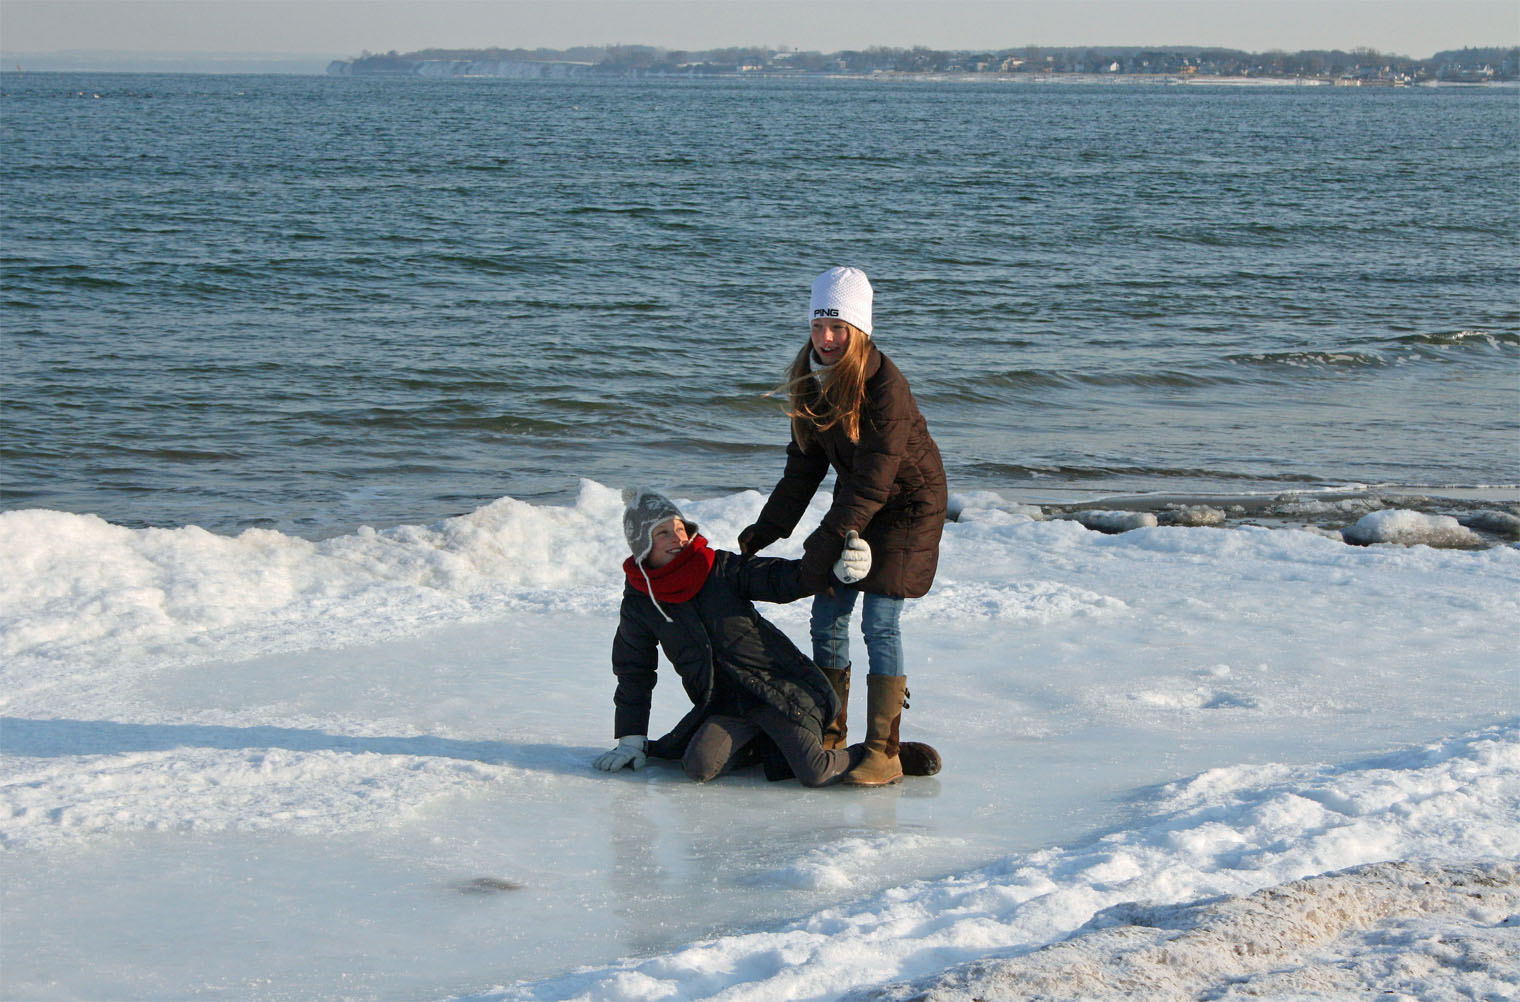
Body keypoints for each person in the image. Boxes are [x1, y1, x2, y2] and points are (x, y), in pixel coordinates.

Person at [738, 266, 948, 787]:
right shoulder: (811, 380)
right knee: (828, 611)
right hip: (859, 502)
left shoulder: (885, 388)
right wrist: (766, 530)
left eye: (838, 328)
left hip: (907, 508)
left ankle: (884, 750)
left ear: (859, 331)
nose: (826, 339)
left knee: (880, 620)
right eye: (818, 326)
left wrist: (826, 538)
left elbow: (877, 482)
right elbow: (803, 467)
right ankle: (830, 736)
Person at [593, 487, 873, 786]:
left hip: (780, 692)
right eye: (663, 533)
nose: (679, 538)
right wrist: (631, 740)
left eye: (680, 528)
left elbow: (781, 579)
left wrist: (835, 571)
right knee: (698, 767)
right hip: (726, 705)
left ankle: (883, 756)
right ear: (641, 545)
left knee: (814, 771)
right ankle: (763, 744)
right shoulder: (640, 600)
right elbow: (634, 670)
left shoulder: (717, 568)